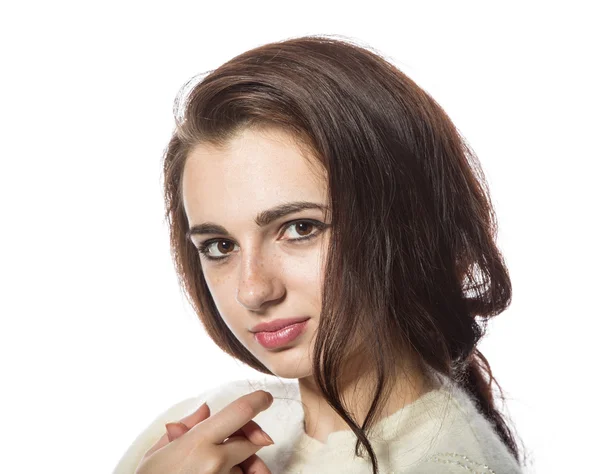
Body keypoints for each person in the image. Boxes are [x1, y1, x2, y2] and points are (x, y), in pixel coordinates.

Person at [113, 35, 525, 474]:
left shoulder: (445, 464)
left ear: (408, 227)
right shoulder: (199, 439)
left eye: (300, 228)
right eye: (220, 246)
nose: (253, 290)